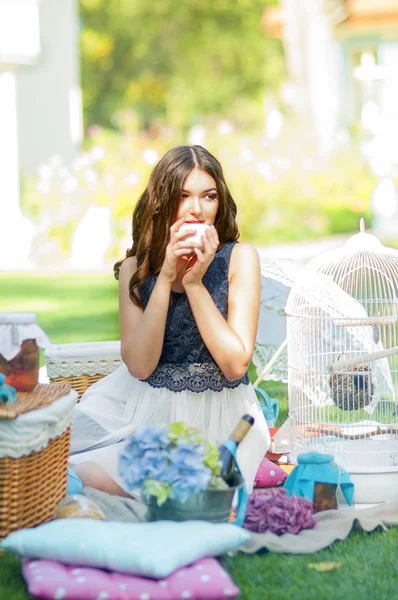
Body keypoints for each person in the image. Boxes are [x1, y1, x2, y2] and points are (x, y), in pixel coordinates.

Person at [69, 145, 270, 496]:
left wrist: (193, 283)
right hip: (146, 411)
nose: (196, 209)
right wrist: (165, 277)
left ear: (219, 201)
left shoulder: (240, 259)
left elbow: (236, 364)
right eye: (183, 196)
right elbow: (140, 366)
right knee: (71, 467)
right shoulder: (136, 268)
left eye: (208, 196)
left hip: (222, 417)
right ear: (162, 201)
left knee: (188, 492)